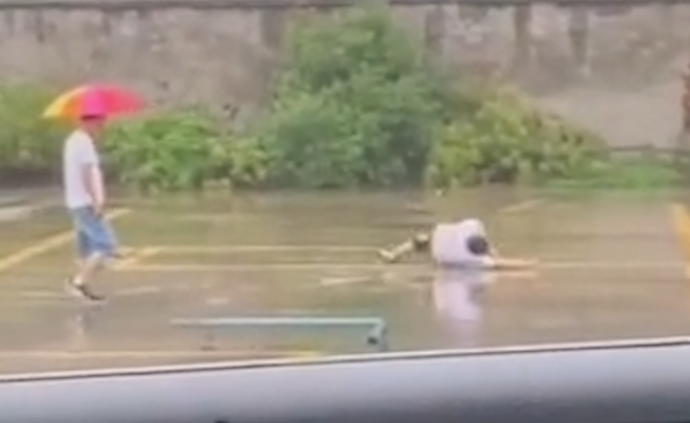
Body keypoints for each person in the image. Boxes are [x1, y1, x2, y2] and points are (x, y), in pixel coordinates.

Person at [62, 113, 117, 302]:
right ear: (87, 122)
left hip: (75, 201)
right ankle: (78, 283)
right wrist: (96, 200)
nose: (101, 126)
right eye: (99, 122)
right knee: (106, 245)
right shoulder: (83, 143)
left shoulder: (73, 141)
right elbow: (86, 173)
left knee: (86, 248)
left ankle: (82, 286)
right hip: (85, 202)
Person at [378, 218, 536, 270]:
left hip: (437, 242)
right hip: (441, 257)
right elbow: (503, 264)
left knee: (419, 240)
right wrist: (527, 264)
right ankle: (393, 256)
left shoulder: (472, 226)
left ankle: (393, 255)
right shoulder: (475, 260)